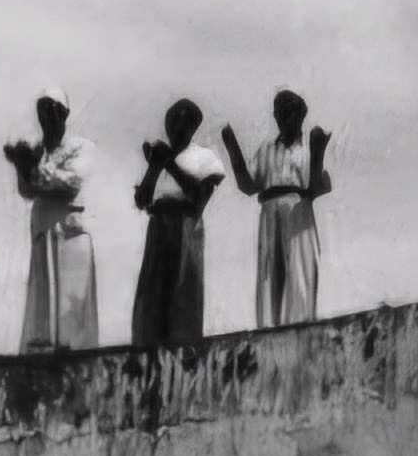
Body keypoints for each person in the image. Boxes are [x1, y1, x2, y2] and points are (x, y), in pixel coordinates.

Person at [2, 87, 100, 352]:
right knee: (42, 314)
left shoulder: (81, 147)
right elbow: (27, 191)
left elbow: (71, 182)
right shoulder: (39, 152)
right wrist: (23, 168)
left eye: (53, 110)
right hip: (43, 234)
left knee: (71, 310)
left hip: (71, 236)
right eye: (42, 110)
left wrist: (35, 169)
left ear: (65, 114)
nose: (47, 116)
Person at [225, 90, 330, 328]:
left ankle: (300, 328)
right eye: (281, 114)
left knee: (300, 274)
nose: (286, 119)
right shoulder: (266, 150)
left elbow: (316, 188)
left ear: (301, 116)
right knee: (271, 276)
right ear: (275, 116)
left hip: (299, 212)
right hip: (270, 213)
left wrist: (318, 152)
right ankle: (270, 331)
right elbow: (248, 185)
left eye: (291, 113)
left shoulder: (310, 146)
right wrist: (232, 147)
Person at [130, 98, 224, 348]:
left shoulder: (204, 157)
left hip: (185, 227)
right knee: (153, 294)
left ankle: (184, 349)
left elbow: (197, 200)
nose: (174, 127)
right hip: (158, 227)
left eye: (180, 121)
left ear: (193, 126)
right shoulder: (160, 157)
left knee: (183, 290)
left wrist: (168, 164)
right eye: (170, 121)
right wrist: (154, 167)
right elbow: (142, 200)